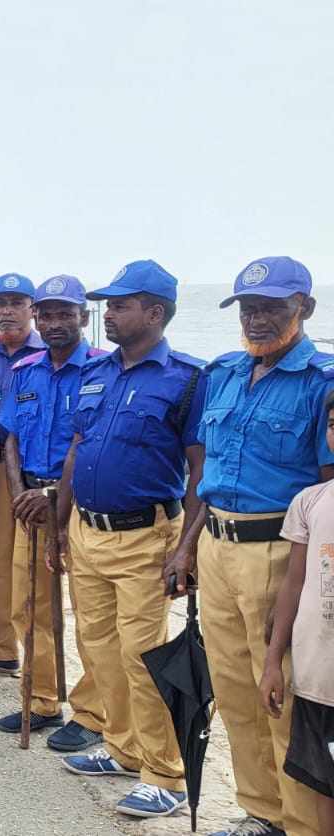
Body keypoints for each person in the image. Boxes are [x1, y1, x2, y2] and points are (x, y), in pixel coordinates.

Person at [54, 260, 207, 820]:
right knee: (98, 650)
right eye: (108, 305)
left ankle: (164, 774)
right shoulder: (98, 372)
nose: (109, 314)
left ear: (155, 312)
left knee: (143, 656)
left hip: (146, 537)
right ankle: (122, 748)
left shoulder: (188, 379)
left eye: (120, 305)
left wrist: (186, 547)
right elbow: (78, 450)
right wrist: (60, 526)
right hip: (86, 532)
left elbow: (199, 469)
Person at [191, 257, 331, 836]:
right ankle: (262, 813)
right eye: (248, 309)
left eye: (272, 308)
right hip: (216, 547)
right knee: (234, 690)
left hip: (280, 553)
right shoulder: (223, 373)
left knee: (285, 694)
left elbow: (329, 493)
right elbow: (207, 469)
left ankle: (303, 824)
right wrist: (187, 546)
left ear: (305, 308)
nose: (256, 320)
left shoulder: (322, 382)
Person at [0, 275, 108, 750]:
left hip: (81, 506)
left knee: (90, 615)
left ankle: (92, 713)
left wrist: (57, 500)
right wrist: (19, 494)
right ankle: (42, 699)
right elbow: (10, 438)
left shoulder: (103, 370)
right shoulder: (26, 371)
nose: (56, 322)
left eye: (66, 313)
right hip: (31, 504)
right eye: (47, 315)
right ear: (36, 319)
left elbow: (94, 445)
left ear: (83, 317)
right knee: (29, 607)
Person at [260, 392, 334, 836]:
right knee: (325, 785)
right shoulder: (311, 502)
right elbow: (294, 584)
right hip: (319, 682)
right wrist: (272, 661)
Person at [0, 273, 48, 678]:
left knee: (37, 567)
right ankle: (1, 648)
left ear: (32, 309)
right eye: (0, 303)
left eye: (17, 303)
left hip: (38, 473)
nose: (7, 311)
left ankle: (40, 659)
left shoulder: (48, 353)